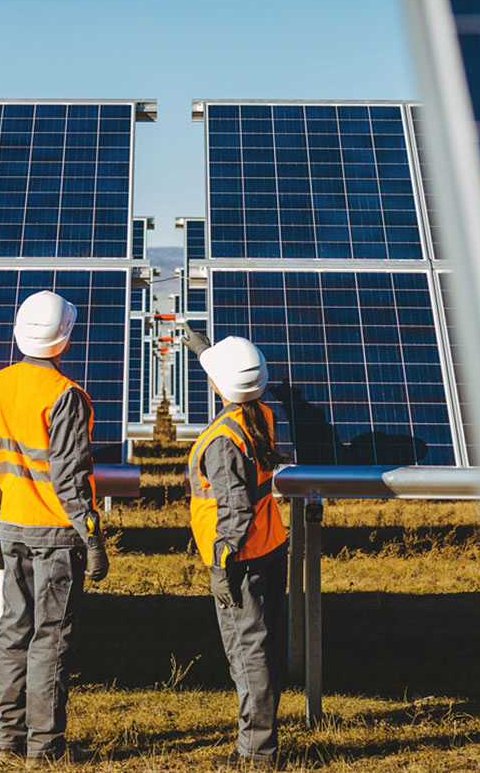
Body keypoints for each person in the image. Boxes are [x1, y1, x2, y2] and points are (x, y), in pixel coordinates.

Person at [0, 290, 109, 765]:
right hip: (55, 535)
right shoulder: (64, 395)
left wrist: (3, 504)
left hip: (12, 527)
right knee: (49, 639)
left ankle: (7, 737)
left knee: (12, 631)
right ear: (64, 338)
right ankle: (44, 746)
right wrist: (93, 538)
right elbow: (71, 478)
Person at [182, 330, 289, 770]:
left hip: (239, 558)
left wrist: (221, 565)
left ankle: (256, 754)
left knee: (248, 652)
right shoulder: (259, 414)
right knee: (263, 645)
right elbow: (238, 383)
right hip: (268, 545)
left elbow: (234, 509)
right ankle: (259, 741)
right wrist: (208, 352)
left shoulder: (223, 440)